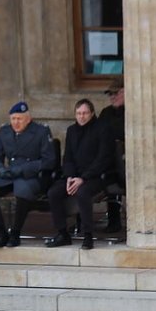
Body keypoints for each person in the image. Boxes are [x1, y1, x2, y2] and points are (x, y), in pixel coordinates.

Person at [0, 101, 56, 248]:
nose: (16, 122)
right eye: (13, 119)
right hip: (9, 174)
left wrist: (22, 169)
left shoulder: (41, 131)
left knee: (22, 192)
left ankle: (15, 232)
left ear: (28, 118)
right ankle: (1, 232)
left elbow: (48, 160)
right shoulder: (5, 132)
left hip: (30, 176)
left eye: (19, 119)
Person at [45, 99, 112, 250]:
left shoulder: (102, 129)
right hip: (74, 176)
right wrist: (69, 177)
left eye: (85, 113)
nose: (82, 116)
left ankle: (88, 235)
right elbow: (67, 158)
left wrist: (83, 178)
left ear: (92, 113)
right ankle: (63, 233)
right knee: (53, 192)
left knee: (82, 193)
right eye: (78, 113)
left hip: (95, 176)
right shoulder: (71, 131)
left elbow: (103, 159)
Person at [97, 76, 126, 233]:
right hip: (107, 163)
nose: (113, 97)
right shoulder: (106, 113)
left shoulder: (134, 112)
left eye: (117, 93)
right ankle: (112, 221)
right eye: (110, 94)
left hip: (125, 165)